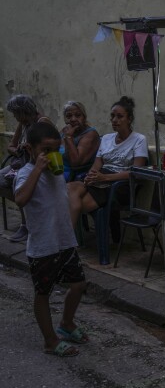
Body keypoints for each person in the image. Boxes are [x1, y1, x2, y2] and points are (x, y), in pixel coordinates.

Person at [14, 122, 88, 357]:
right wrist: (37, 169)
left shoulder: (57, 172)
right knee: (43, 293)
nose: (52, 155)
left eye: (55, 150)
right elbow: (20, 200)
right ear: (30, 149)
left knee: (78, 284)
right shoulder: (27, 173)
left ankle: (66, 323)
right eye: (46, 150)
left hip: (64, 241)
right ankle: (50, 340)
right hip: (43, 247)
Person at [67, 96, 148, 228]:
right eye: (112, 116)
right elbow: (96, 166)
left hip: (120, 184)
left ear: (129, 119)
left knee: (75, 205)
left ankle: (67, 242)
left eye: (120, 116)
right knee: (69, 188)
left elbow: (136, 172)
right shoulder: (106, 138)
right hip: (101, 179)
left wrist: (105, 177)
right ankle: (68, 242)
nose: (114, 120)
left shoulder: (139, 140)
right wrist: (90, 177)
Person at [1, 94, 53, 242]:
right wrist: (17, 150)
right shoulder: (23, 124)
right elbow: (11, 146)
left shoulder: (42, 123)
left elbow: (50, 148)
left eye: (16, 113)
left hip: (38, 165)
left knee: (19, 182)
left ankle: (26, 224)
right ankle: (27, 211)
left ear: (23, 111)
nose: (15, 117)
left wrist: (31, 148)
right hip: (21, 162)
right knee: (1, 180)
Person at [60, 101, 100, 182]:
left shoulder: (90, 134)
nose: (73, 119)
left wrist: (69, 137)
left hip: (78, 177)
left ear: (84, 118)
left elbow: (76, 162)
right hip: (59, 173)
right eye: (69, 116)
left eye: (78, 115)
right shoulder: (64, 132)